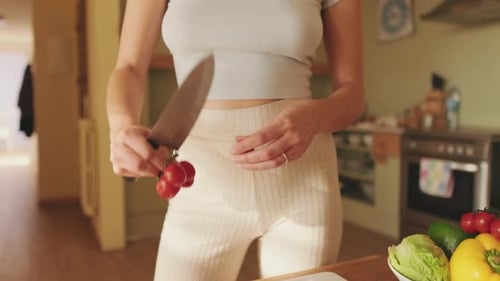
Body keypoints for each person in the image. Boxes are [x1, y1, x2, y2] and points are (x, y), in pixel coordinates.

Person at [106, 0, 364, 280]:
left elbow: (352, 93)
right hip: (200, 184)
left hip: (302, 183)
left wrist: (315, 117)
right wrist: (121, 126)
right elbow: (129, 67)